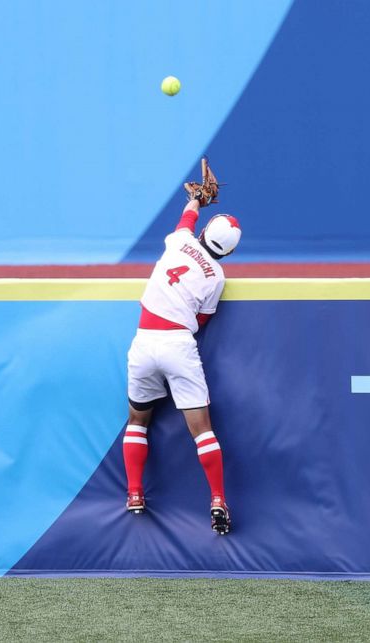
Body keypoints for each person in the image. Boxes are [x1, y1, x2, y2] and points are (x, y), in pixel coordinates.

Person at [122, 195, 241, 535]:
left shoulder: (180, 242)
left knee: (137, 420)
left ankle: (134, 492)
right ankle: (218, 498)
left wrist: (194, 201)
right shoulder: (217, 277)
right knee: (202, 430)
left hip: (144, 341)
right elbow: (202, 320)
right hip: (178, 345)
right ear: (229, 252)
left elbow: (184, 222)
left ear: (203, 232)